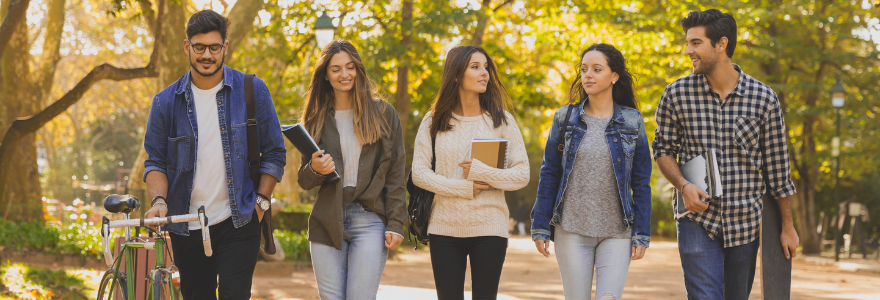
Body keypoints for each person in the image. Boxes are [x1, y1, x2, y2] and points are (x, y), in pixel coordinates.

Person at [652, 9, 800, 300]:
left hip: (744, 221)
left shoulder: (764, 98)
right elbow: (663, 150)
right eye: (688, 43)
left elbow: (777, 171)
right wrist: (683, 186)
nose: (687, 50)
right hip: (697, 219)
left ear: (721, 44)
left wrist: (787, 226)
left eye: (696, 43)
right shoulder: (676, 94)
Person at [142, 9, 287, 299]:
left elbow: (274, 153)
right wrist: (159, 200)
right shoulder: (165, 103)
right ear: (187, 47)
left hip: (239, 221)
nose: (207, 55)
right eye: (199, 47)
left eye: (214, 47)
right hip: (187, 226)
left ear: (225, 47)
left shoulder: (252, 91)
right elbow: (155, 161)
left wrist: (261, 202)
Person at [530, 44, 652, 300]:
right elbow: (549, 173)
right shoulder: (565, 118)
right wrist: (540, 225)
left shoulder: (633, 121)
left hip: (617, 232)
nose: (588, 75)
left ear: (614, 76)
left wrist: (641, 232)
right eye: (584, 69)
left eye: (597, 69)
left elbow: (641, 181)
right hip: (571, 229)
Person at [411, 45, 530, 300]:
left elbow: (522, 175)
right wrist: (462, 187)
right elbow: (419, 174)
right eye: (475, 67)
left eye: (486, 67)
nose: (484, 73)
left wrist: (483, 172)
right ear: (456, 75)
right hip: (444, 227)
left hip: (490, 227)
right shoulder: (433, 122)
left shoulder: (502, 120)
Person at [296, 39, 406, 300]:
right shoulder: (315, 118)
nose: (344, 74)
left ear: (358, 69)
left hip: (369, 219)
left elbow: (395, 172)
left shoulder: (383, 113)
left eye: (350, 67)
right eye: (336, 69)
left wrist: (396, 222)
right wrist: (314, 168)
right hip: (326, 219)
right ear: (326, 75)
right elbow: (304, 180)